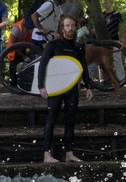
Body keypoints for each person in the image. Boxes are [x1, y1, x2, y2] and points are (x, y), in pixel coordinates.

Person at [38, 14, 96, 163]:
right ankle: (47, 154)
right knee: (51, 119)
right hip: (56, 88)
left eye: (72, 26)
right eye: (67, 26)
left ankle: (69, 153)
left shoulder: (78, 47)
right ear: (62, 28)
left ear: (76, 28)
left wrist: (88, 87)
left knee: (70, 120)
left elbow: (83, 68)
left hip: (72, 89)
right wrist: (41, 86)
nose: (70, 29)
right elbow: (43, 65)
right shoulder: (53, 45)